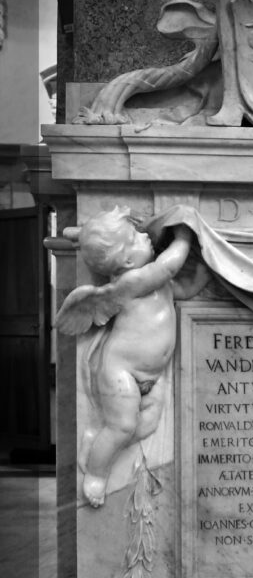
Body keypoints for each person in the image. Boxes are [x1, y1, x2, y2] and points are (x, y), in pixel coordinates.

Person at [56, 207, 203, 508]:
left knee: (144, 425)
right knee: (122, 427)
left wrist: (211, 265)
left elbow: (186, 289)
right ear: (125, 261)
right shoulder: (132, 281)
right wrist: (185, 234)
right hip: (121, 372)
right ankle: (96, 473)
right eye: (135, 237)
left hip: (150, 376)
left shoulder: (155, 282)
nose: (145, 235)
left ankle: (98, 443)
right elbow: (169, 266)